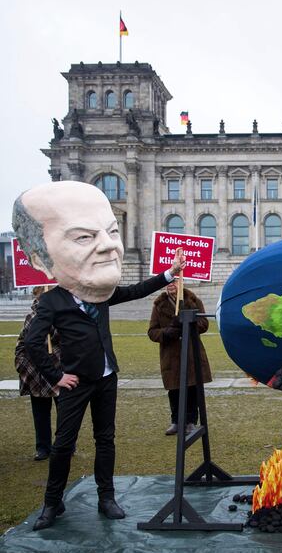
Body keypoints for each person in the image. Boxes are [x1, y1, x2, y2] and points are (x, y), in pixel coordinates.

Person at [12, 181, 186, 531]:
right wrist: (56, 376)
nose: (106, 245)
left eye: (110, 232)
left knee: (106, 440)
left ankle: (107, 498)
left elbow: (136, 289)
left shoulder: (101, 295)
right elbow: (32, 343)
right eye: (83, 237)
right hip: (74, 382)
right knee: (64, 444)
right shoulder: (52, 301)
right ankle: (52, 503)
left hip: (107, 377)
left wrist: (169, 273)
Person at [147, 281, 212, 436]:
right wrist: (168, 332)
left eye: (174, 282)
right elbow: (152, 332)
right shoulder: (159, 305)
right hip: (171, 355)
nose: (171, 285)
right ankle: (176, 421)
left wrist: (189, 322)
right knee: (174, 390)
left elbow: (204, 324)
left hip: (191, 353)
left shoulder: (193, 301)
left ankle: (190, 422)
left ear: (181, 282)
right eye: (168, 282)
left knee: (192, 388)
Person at [15, 286, 61, 461]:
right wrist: (22, 363)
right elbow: (23, 342)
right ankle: (43, 447)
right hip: (36, 373)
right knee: (40, 412)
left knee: (64, 411)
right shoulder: (31, 317)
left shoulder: (61, 315)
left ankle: (65, 444)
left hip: (58, 370)